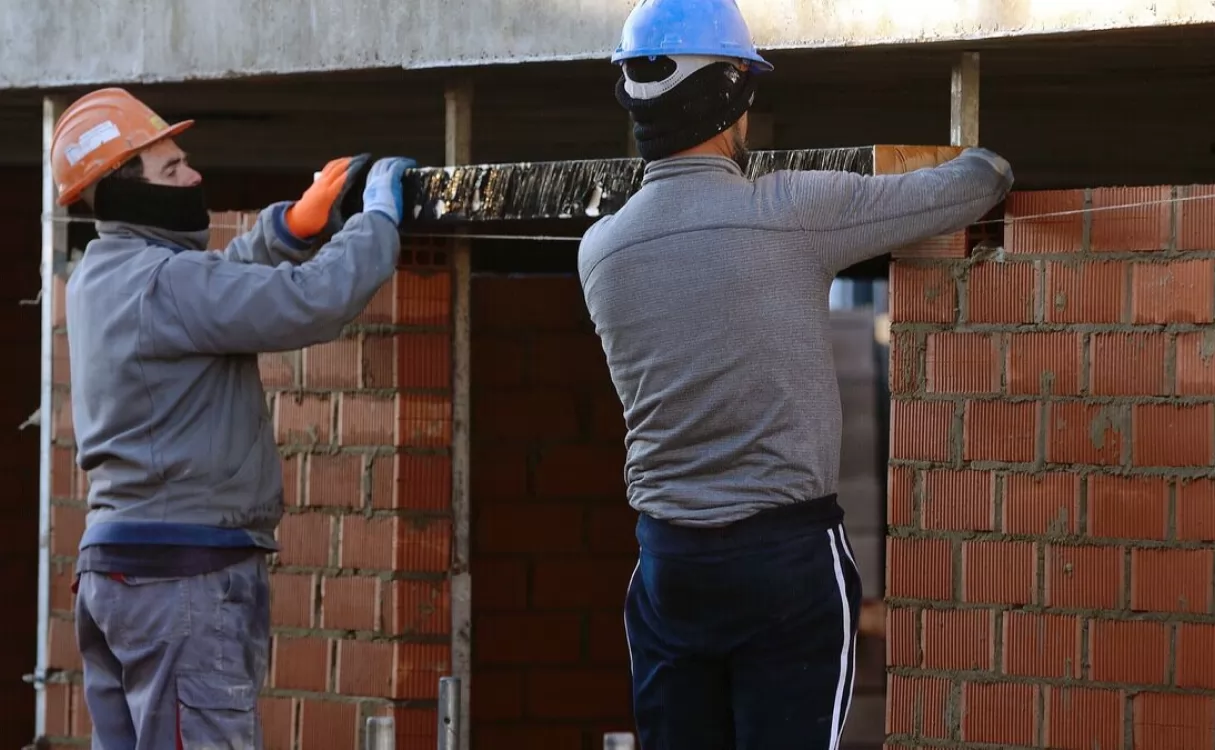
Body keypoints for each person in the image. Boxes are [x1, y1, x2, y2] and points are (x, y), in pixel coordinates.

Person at [577, 1, 1015, 748]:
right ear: (732, 94)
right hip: (782, 558)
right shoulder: (788, 211)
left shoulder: (600, 250)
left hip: (667, 562)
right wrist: (987, 156)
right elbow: (976, 182)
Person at [51, 87, 412, 749]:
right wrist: (378, 221)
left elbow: (214, 285)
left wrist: (289, 229)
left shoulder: (105, 274)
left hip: (121, 574)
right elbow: (311, 303)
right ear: (122, 191)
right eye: (171, 169)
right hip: (181, 580)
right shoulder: (161, 282)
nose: (193, 176)